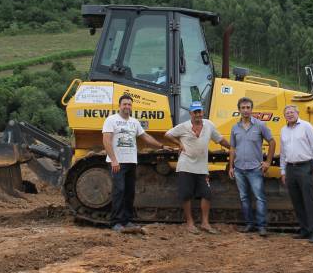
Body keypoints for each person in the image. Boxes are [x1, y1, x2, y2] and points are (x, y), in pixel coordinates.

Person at [102, 93, 170, 233]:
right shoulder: (111, 120)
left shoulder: (134, 122)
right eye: (124, 104)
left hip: (131, 162)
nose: (127, 106)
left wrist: (161, 146)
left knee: (129, 192)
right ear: (119, 106)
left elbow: (145, 137)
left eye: (129, 104)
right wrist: (114, 160)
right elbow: (106, 140)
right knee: (119, 191)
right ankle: (116, 222)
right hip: (118, 163)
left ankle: (126, 221)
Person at [165, 101, 231, 234]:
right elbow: (168, 134)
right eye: (195, 112)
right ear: (190, 113)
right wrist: (179, 144)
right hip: (186, 165)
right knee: (186, 194)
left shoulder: (209, 125)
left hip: (201, 167)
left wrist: (232, 147)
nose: (198, 114)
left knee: (207, 194)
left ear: (203, 112)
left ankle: (205, 223)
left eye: (199, 111)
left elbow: (220, 139)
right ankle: (190, 223)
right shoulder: (183, 126)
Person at [229, 97, 275, 236]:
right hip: (239, 169)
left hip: (255, 169)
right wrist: (231, 166)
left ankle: (261, 226)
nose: (245, 110)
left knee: (259, 197)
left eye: (248, 107)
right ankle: (249, 224)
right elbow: (232, 148)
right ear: (239, 110)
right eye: (243, 108)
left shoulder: (260, 125)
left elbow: (272, 142)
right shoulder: (235, 128)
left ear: (252, 109)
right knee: (244, 198)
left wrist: (268, 162)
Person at [279, 105, 313, 243]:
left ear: (297, 113)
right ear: (284, 116)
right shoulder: (283, 130)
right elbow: (283, 152)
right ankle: (304, 230)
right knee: (296, 201)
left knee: (308, 200)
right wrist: (283, 170)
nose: (290, 114)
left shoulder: (307, 126)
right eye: (287, 113)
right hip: (290, 168)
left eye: (292, 112)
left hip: (305, 166)